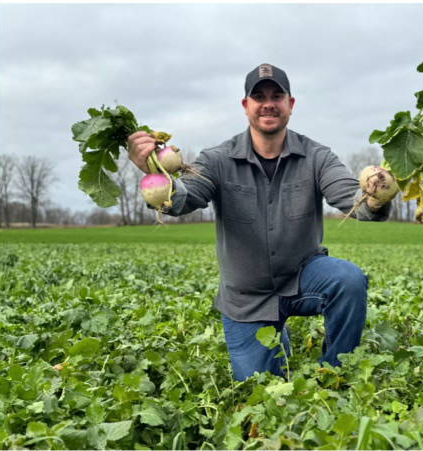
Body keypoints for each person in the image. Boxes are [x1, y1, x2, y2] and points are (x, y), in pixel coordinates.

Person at [127, 63, 395, 382]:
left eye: (277, 95)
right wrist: (155, 176)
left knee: (348, 281)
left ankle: (336, 374)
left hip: (301, 278)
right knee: (259, 389)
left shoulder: (317, 157)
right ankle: (273, 333)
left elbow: (351, 197)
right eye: (259, 96)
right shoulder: (217, 159)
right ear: (246, 106)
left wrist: (377, 196)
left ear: (290, 104)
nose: (268, 102)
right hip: (246, 299)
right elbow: (188, 196)